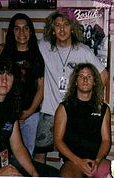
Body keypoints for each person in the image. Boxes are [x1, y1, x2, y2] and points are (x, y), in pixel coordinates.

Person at [35, 10, 109, 163]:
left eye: (66, 25)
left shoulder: (83, 50)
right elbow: (23, 46)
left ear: (72, 28)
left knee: (72, 154)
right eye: (57, 25)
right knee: (39, 155)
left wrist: (90, 97)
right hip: (49, 110)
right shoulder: (43, 46)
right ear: (52, 30)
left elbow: (103, 75)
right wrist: (3, 46)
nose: (62, 29)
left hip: (73, 112)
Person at [54, 63, 111, 178]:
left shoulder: (103, 108)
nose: (85, 80)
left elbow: (106, 140)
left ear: (94, 82)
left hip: (96, 161)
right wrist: (78, 161)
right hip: (73, 162)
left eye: (89, 77)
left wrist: (98, 160)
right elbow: (58, 141)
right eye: (81, 76)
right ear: (75, 81)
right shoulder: (64, 107)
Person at [1, 13, 44, 157]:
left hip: (31, 115)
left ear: (31, 32)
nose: (22, 33)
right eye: (17, 29)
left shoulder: (37, 57)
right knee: (6, 155)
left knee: (27, 155)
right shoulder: (4, 56)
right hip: (7, 113)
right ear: (12, 32)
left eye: (25, 28)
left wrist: (29, 111)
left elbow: (41, 88)